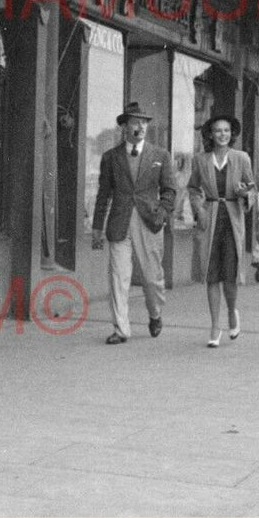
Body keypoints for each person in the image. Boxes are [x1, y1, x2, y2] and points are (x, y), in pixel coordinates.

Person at [91, 101, 178, 345]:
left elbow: (170, 190)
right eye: (134, 122)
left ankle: (155, 313)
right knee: (119, 277)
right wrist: (97, 226)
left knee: (152, 278)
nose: (140, 126)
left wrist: (162, 212)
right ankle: (121, 329)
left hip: (149, 222)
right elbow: (103, 194)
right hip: (119, 223)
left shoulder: (160, 155)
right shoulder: (111, 157)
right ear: (124, 127)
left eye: (144, 122)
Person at [188, 115, 257, 347]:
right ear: (210, 134)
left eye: (226, 130)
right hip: (210, 219)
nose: (222, 135)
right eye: (218, 131)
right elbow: (193, 188)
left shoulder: (241, 158)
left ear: (232, 134)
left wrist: (244, 193)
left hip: (232, 220)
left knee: (230, 276)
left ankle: (231, 312)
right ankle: (215, 326)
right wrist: (199, 208)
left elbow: (252, 189)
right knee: (211, 274)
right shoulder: (200, 160)